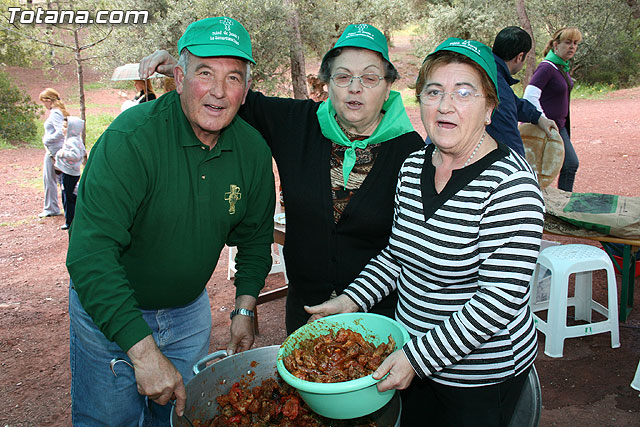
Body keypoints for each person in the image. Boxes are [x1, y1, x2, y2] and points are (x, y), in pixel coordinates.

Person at [306, 38, 544, 426]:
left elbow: (497, 302)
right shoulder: (414, 165)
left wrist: (418, 358)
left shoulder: (511, 185)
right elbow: (398, 255)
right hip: (412, 358)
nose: (446, 105)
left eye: (463, 92)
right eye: (434, 92)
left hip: (479, 379)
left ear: (490, 108)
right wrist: (351, 301)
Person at [140, 23, 425, 335]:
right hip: (306, 312)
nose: (355, 88)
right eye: (343, 76)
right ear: (328, 83)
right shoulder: (298, 124)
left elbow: (410, 250)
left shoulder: (411, 152)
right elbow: (234, 97)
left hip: (379, 318)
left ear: (387, 87)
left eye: (370, 78)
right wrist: (180, 67)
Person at [66, 17, 275, 425]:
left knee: (181, 418)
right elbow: (91, 253)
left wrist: (245, 308)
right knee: (109, 420)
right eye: (204, 73)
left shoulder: (251, 151)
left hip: (187, 315)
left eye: (233, 77)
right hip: (109, 314)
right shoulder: (132, 139)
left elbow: (254, 237)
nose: (218, 91)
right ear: (178, 78)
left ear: (245, 90)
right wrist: (141, 351)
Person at [524, 27, 583, 192]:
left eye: (575, 43)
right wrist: (542, 119)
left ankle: (560, 202)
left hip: (558, 127)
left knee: (566, 164)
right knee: (566, 164)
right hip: (546, 128)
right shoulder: (547, 67)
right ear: (556, 45)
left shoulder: (560, 67)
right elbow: (529, 95)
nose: (572, 47)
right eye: (567, 42)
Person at [488, 26, 558, 157]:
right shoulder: (498, 86)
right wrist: (523, 170)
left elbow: (515, 102)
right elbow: (508, 137)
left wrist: (537, 117)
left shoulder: (491, 72)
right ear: (520, 57)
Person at [38, 88, 69, 218]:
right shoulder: (57, 112)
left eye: (44, 101)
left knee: (53, 179)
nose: (44, 104)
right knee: (56, 178)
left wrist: (46, 139)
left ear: (49, 100)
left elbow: (60, 132)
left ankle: (51, 208)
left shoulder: (55, 113)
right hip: (53, 150)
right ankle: (50, 207)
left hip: (54, 151)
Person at [54, 116, 86, 230]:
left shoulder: (72, 141)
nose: (63, 129)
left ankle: (70, 221)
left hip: (70, 173)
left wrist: (62, 153)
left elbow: (76, 155)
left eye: (65, 127)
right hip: (70, 172)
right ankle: (74, 218)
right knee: (71, 195)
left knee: (68, 197)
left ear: (72, 128)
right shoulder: (74, 139)